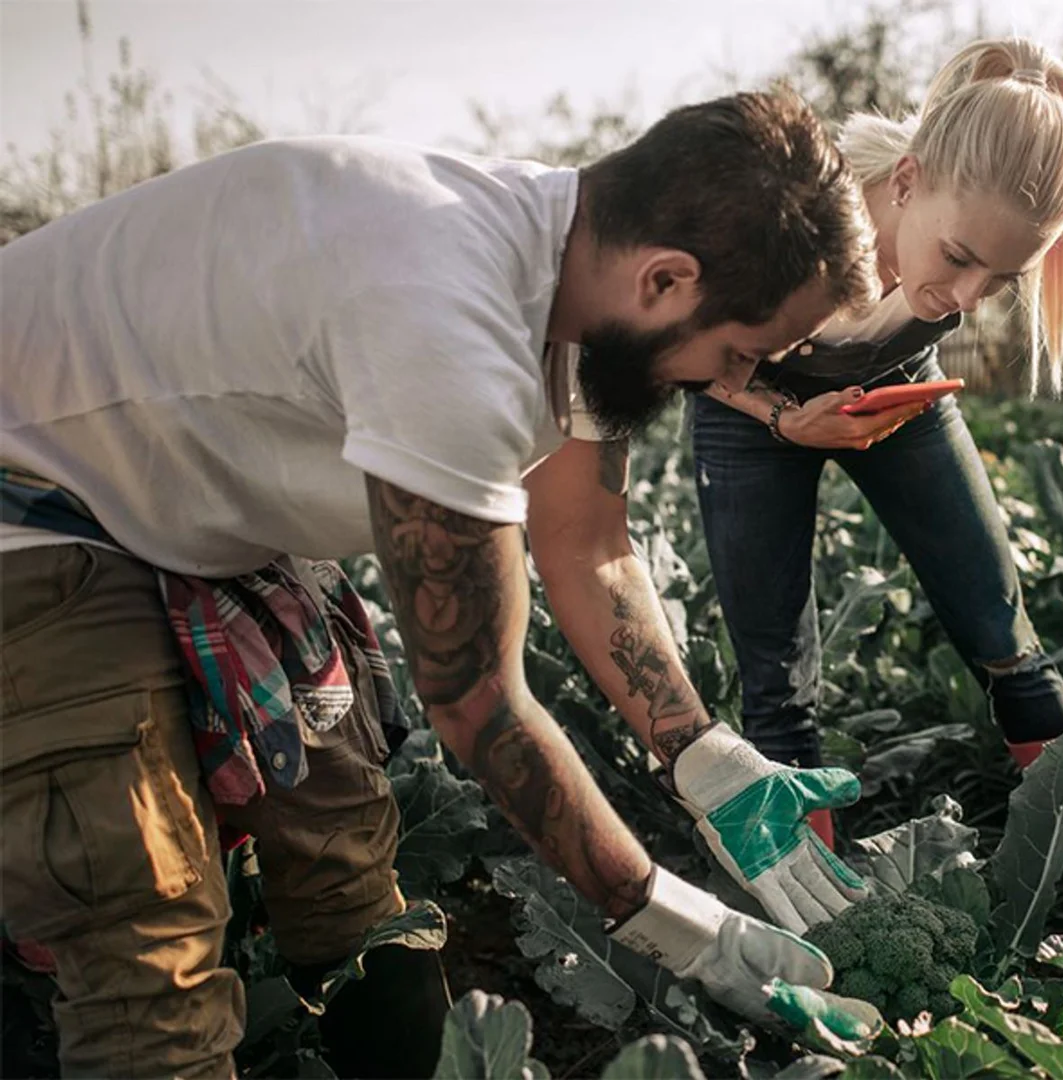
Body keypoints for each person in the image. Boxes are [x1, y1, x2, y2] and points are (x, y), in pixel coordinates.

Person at [0, 89, 881, 1078]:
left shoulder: (570, 276)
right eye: (739, 354)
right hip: (31, 508)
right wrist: (687, 929)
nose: (731, 382)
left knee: (342, 857)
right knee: (144, 940)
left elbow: (587, 541)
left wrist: (704, 757)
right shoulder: (447, 318)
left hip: (174, 499)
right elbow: (478, 707)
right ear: (668, 279)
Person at [690, 39, 1063, 952]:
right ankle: (822, 934)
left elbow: (1010, 165)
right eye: (958, 259)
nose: (967, 297)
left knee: (1009, 644)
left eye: (1001, 278)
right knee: (777, 684)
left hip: (895, 388)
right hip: (747, 411)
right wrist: (786, 421)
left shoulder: (967, 203)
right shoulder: (781, 221)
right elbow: (683, 347)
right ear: (904, 183)